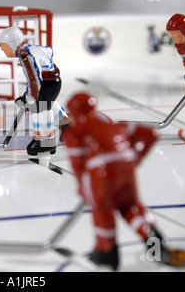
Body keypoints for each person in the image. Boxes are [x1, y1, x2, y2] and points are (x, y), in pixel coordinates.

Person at [63, 92, 169, 271]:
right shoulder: (112, 124)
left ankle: (107, 253)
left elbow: (78, 165)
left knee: (102, 210)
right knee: (130, 205)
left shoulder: (74, 132)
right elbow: (152, 134)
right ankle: (151, 236)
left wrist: (82, 187)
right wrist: (135, 158)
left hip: (101, 173)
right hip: (126, 168)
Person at [0, 26, 69, 156]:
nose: (2, 48)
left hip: (48, 83)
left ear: (11, 43)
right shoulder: (30, 48)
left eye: (3, 45)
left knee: (40, 109)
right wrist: (28, 96)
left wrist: (30, 98)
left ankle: (45, 142)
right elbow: (48, 51)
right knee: (48, 105)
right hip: (53, 82)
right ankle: (68, 126)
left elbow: (35, 79)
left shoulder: (25, 55)